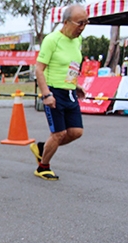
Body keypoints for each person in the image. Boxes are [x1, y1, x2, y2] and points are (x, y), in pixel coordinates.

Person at [30, 4, 88, 181]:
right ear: (66, 22)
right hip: (53, 92)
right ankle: (43, 166)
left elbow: (72, 65)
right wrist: (46, 94)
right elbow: (38, 70)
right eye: (80, 23)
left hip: (69, 91)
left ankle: (42, 148)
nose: (82, 27)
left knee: (76, 132)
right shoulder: (52, 40)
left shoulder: (77, 40)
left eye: (86, 23)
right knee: (58, 134)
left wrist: (75, 85)